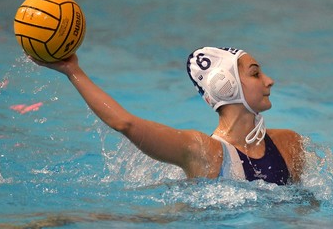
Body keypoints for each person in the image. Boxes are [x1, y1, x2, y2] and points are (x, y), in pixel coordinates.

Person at [33, 47, 305, 185]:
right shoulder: (202, 151)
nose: (269, 81)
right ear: (227, 85)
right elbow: (125, 123)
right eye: (256, 73)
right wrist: (73, 71)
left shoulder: (289, 144)